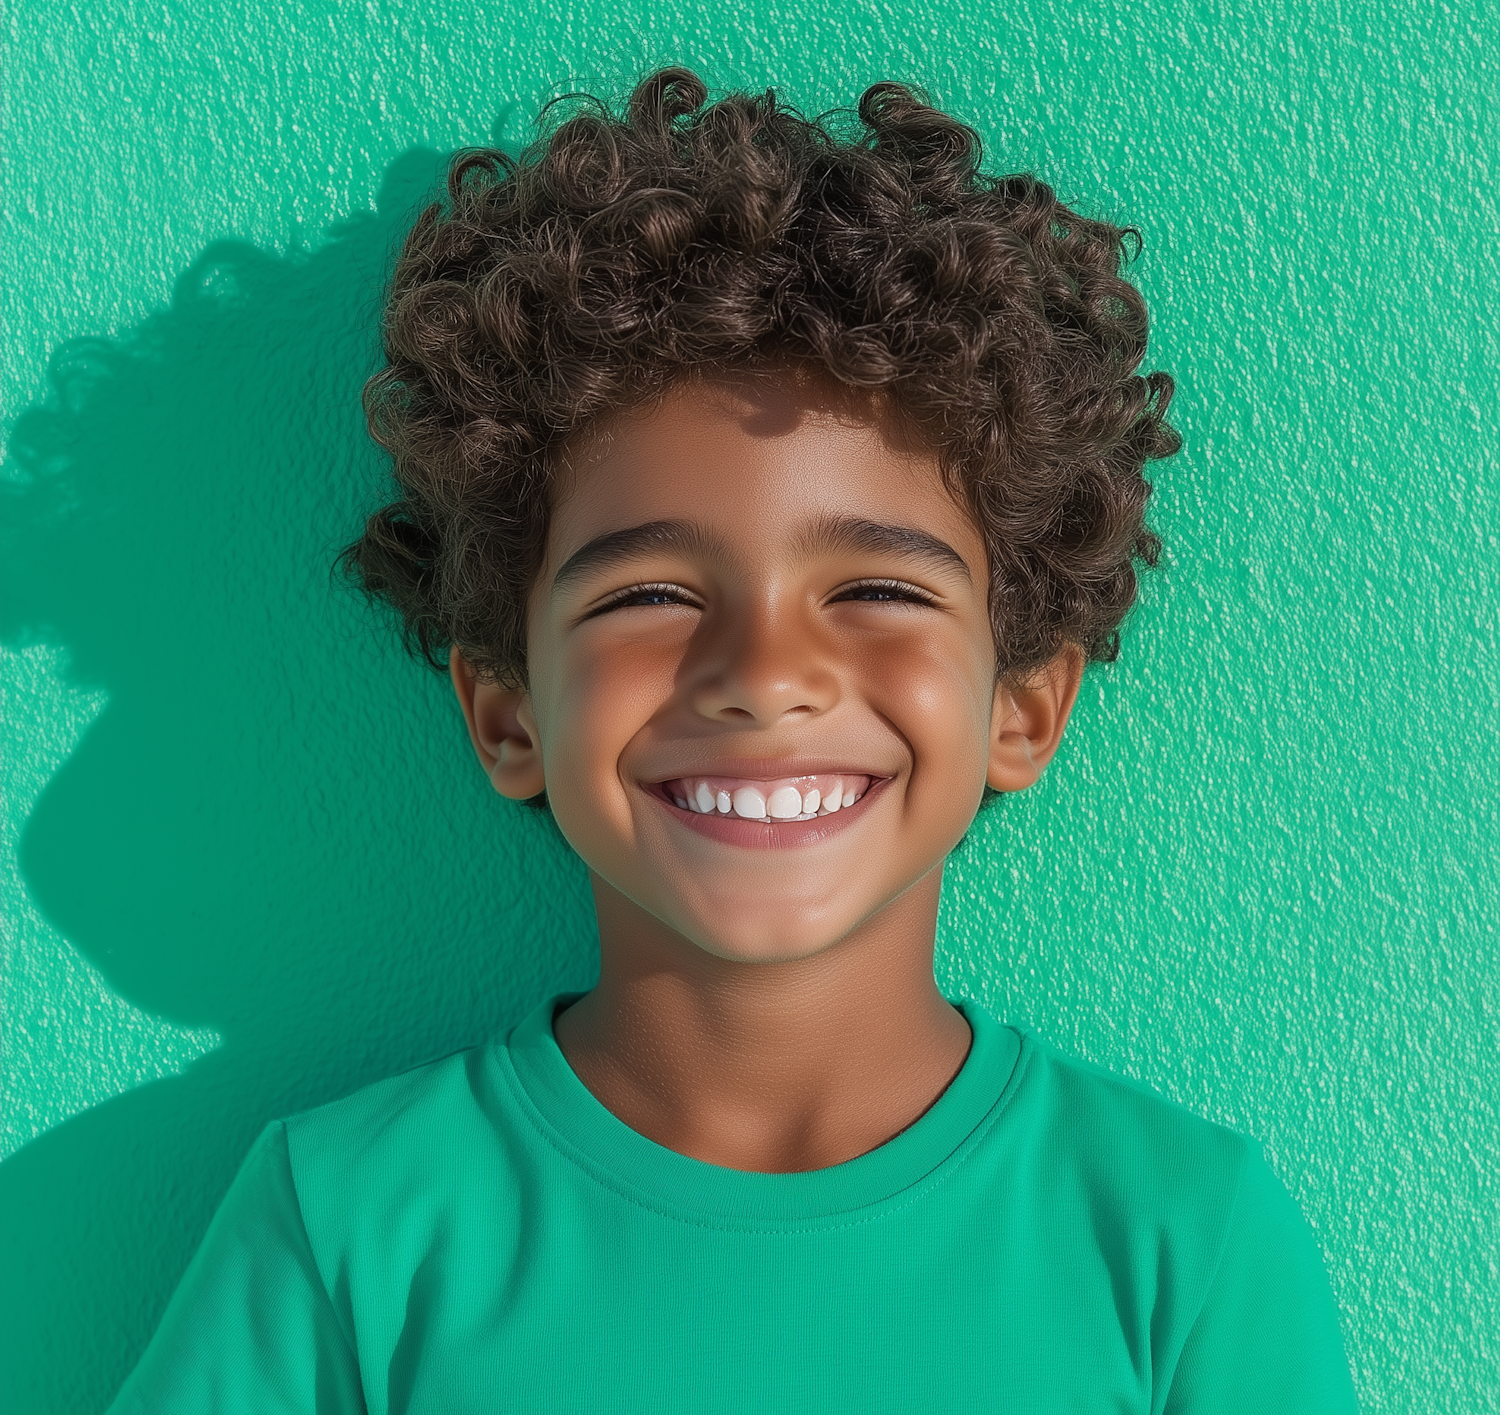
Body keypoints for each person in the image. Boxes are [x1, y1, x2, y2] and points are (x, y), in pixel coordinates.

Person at [107, 69, 1358, 1413]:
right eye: (649, 597)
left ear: (1022, 708)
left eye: (877, 591)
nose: (764, 677)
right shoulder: (348, 1228)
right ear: (509, 712)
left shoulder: (1181, 1244)